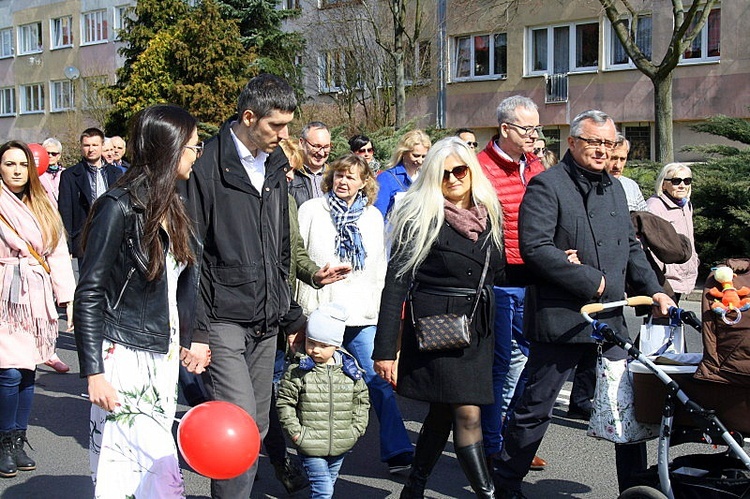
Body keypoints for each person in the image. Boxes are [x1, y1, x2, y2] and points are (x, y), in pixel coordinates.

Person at [493, 110, 676, 499]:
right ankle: (506, 484)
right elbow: (536, 248)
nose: (601, 150)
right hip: (562, 318)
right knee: (535, 408)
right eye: (593, 141)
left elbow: (630, 246)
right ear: (573, 142)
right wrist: (592, 280)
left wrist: (655, 288)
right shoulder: (547, 185)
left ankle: (634, 487)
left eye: (608, 143)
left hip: (609, 317)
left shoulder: (614, 187)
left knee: (625, 405)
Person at [74, 105, 206, 497]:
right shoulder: (118, 206)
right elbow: (90, 289)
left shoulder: (173, 205)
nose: (196, 155)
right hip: (123, 355)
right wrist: (93, 371)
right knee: (156, 471)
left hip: (160, 356)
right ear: (171, 149)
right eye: (192, 147)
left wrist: (193, 336)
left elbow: (181, 282)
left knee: (141, 473)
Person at [185, 73, 306, 498]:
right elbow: (192, 254)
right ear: (249, 117)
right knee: (234, 427)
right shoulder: (206, 168)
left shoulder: (275, 165)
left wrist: (291, 313)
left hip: (267, 320)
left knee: (256, 427)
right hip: (221, 319)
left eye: (288, 124)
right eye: (276, 125)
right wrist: (196, 332)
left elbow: (282, 246)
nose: (285, 135)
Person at [373, 137, 505, 498]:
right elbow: (395, 286)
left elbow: (499, 272)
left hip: (477, 330)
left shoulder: (489, 214)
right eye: (443, 173)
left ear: (471, 172)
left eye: (459, 170)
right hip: (438, 329)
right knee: (467, 414)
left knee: (442, 414)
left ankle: (413, 487)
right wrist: (386, 349)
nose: (453, 178)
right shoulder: (419, 216)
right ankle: (488, 494)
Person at [296, 153, 414, 473]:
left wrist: (384, 316)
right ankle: (308, 455)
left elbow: (379, 268)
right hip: (321, 313)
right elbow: (296, 259)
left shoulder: (373, 218)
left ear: (364, 183)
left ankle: (398, 450)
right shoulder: (311, 210)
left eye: (351, 176)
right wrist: (297, 314)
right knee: (312, 388)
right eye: (339, 175)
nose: (343, 181)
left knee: (378, 380)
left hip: (362, 315)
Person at [476, 95, 546, 471]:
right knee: (501, 365)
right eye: (527, 129)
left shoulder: (534, 165)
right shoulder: (480, 168)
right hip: (499, 281)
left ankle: (515, 440)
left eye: (537, 128)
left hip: (535, 277)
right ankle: (493, 443)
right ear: (505, 129)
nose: (534, 135)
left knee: (531, 361)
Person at [0, 140, 75, 478]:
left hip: (36, 294)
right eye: (9, 164)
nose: (16, 170)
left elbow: (57, 251)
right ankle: (3, 441)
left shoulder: (42, 202)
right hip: (4, 295)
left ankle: (18, 438)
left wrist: (67, 298)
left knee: (28, 370)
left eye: (21, 164)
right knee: (8, 371)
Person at [277, 303, 369, 499]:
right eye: (311, 342)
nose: (315, 350)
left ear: (336, 345)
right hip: (309, 444)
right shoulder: (298, 370)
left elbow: (361, 401)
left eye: (323, 345)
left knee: (326, 486)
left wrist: (356, 429)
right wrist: (296, 433)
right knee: (324, 490)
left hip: (341, 443)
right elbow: (285, 402)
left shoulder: (349, 371)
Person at [58, 128, 123, 258]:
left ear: (102, 146)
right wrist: (67, 244)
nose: (91, 149)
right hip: (84, 238)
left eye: (95, 145)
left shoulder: (116, 173)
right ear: (81, 147)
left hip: (112, 236)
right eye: (86, 145)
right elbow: (65, 211)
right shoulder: (69, 175)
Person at [646, 163, 699, 304]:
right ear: (663, 184)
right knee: (661, 321)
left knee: (672, 322)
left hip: (683, 273)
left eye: (687, 181)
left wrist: (695, 260)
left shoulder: (686, 205)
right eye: (676, 181)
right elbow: (650, 246)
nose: (682, 185)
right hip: (666, 279)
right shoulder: (654, 207)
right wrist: (660, 274)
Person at [40, 137, 70, 374]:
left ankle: (49, 350)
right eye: (46, 153)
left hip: (57, 237)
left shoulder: (65, 176)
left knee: (50, 305)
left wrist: (68, 297)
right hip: (30, 251)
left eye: (54, 154)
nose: (50, 158)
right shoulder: (33, 179)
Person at [374, 129, 431, 218]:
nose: (420, 161)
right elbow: (378, 216)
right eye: (416, 156)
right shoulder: (386, 178)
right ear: (403, 153)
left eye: (424, 156)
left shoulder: (426, 177)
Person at [289, 122, 332, 207]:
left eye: (326, 147)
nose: (321, 153)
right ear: (301, 143)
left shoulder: (335, 176)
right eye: (316, 146)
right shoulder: (290, 175)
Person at [607, 135, 648, 212]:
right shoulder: (590, 186)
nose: (618, 166)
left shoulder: (631, 186)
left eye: (622, 159)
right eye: (613, 158)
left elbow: (644, 218)